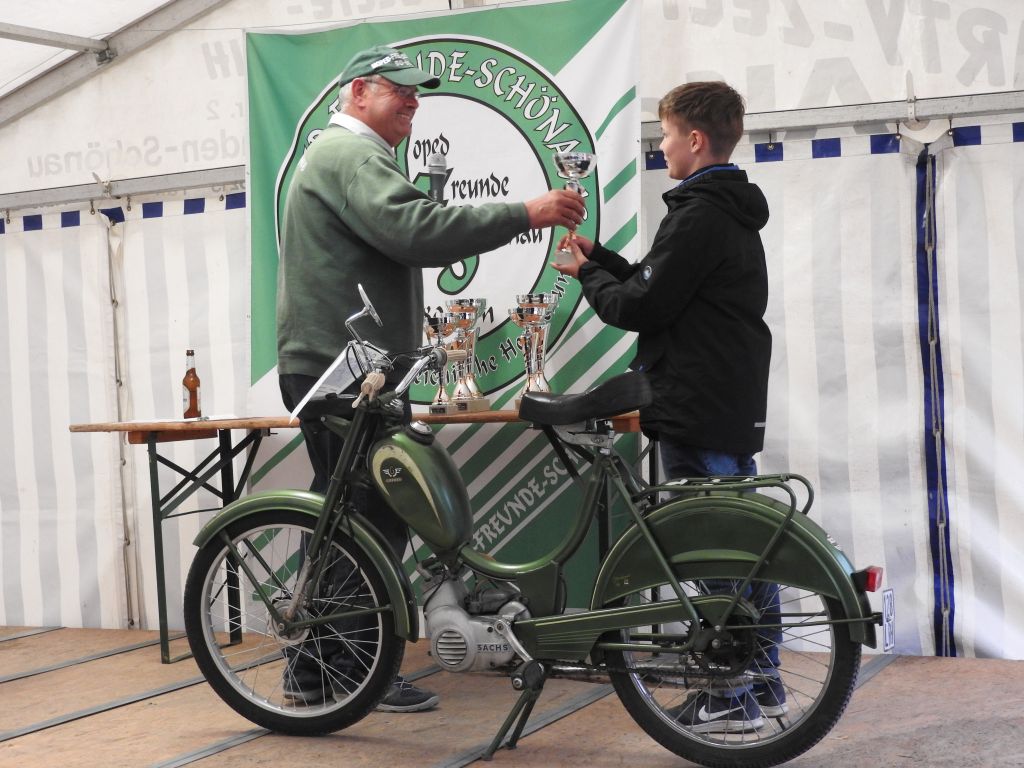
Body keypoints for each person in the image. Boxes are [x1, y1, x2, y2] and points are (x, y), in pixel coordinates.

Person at [276, 45, 585, 713]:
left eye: (418, 93)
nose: (414, 101)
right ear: (359, 92)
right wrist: (525, 213)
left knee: (349, 516)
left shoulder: (344, 155)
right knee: (366, 518)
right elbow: (416, 230)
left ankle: (318, 670)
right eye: (401, 90)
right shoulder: (352, 156)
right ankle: (352, 672)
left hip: (345, 365)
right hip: (347, 369)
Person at [551, 81, 779, 733]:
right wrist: (602, 258)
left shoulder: (699, 213)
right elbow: (661, 284)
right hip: (727, 402)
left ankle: (730, 696)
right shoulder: (727, 210)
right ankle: (764, 682)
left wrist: (586, 275)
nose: (664, 148)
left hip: (695, 404)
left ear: (696, 140)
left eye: (669, 136)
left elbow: (641, 307)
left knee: (712, 551)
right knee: (746, 546)